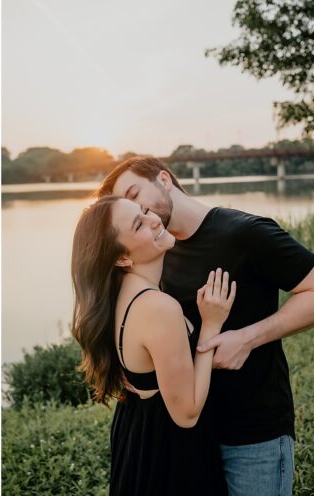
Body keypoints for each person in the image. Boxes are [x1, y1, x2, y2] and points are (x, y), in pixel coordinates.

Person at [97, 157, 314, 496]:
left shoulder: (246, 233)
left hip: (252, 432)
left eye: (136, 194)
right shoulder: (154, 252)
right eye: (129, 208)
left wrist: (247, 338)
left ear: (164, 179)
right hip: (189, 437)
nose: (142, 213)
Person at [71, 196, 232, 495]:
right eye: (139, 224)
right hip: (170, 456)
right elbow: (186, 414)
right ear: (122, 258)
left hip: (136, 438)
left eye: (143, 211)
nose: (154, 219)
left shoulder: (119, 296)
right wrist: (211, 324)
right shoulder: (158, 307)